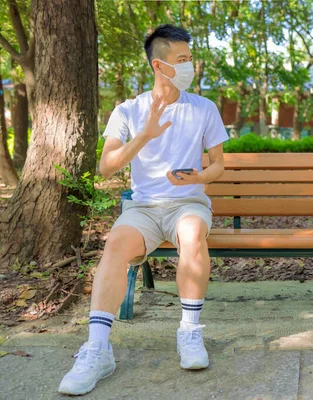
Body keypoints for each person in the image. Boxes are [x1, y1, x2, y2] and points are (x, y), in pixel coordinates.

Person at [58, 24, 229, 395]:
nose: (189, 66)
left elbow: (218, 166)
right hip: (144, 207)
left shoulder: (204, 108)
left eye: (190, 59)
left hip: (188, 202)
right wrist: (144, 135)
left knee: (191, 233)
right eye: (181, 60)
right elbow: (106, 167)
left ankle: (189, 332)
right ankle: (98, 349)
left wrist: (198, 175)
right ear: (158, 65)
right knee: (115, 245)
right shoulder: (128, 111)